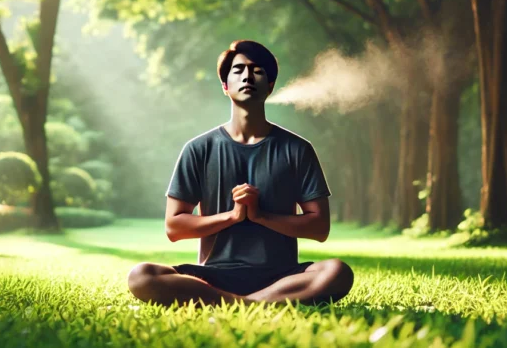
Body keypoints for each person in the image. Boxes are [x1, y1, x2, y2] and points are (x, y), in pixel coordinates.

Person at [127, 40, 354, 306]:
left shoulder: (298, 149)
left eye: (257, 70)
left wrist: (261, 216)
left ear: (270, 86)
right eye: (238, 70)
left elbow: (319, 228)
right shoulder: (198, 149)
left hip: (281, 277)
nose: (247, 76)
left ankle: (229, 303)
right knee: (141, 275)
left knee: (337, 272)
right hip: (213, 275)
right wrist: (233, 216)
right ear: (225, 86)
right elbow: (174, 227)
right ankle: (256, 304)